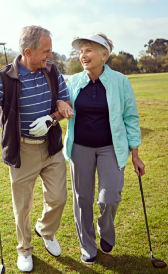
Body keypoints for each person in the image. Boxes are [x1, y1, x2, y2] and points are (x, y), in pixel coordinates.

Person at [0, 25, 73, 272]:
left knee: (59, 198)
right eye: (46, 51)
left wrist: (52, 116)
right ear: (28, 52)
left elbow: (66, 104)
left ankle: (45, 230)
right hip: (23, 150)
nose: (49, 55)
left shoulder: (51, 71)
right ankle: (25, 249)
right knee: (22, 207)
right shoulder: (5, 77)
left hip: (50, 147)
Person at [57, 33, 145, 265]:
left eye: (88, 50)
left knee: (110, 197)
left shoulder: (120, 81)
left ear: (104, 55)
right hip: (80, 147)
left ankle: (105, 230)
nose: (82, 55)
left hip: (111, 147)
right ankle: (88, 246)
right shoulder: (74, 81)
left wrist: (135, 153)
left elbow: (130, 117)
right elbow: (62, 103)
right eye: (81, 51)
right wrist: (61, 107)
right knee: (82, 198)